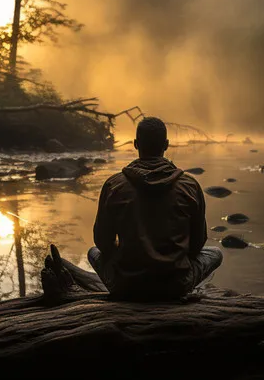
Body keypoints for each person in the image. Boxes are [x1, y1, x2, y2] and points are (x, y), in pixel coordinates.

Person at [88, 116, 223, 300]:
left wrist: (128, 253)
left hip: (126, 285)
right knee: (215, 253)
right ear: (166, 145)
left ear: (136, 144)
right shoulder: (190, 185)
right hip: (175, 285)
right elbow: (197, 244)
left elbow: (102, 243)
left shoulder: (114, 185)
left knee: (93, 252)